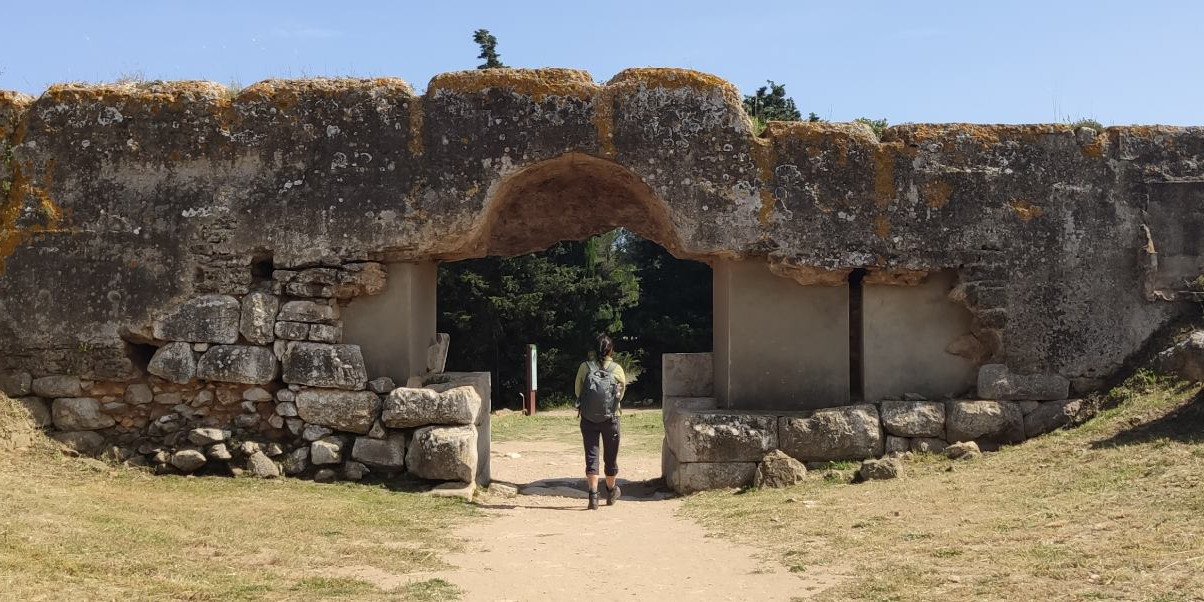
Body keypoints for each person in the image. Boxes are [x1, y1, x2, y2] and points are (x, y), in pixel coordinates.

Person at [575, 334, 627, 510]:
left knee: (592, 456)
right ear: (611, 350)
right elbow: (620, 396)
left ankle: (593, 495)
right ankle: (611, 490)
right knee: (610, 458)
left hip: (588, 419)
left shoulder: (584, 367)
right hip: (611, 419)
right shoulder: (617, 369)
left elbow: (578, 391)